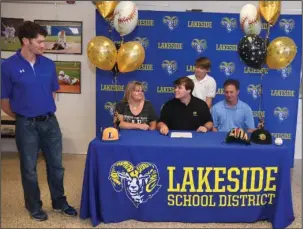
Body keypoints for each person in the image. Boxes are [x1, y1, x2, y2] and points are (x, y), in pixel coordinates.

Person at [1, 21, 77, 221]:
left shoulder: (48, 64)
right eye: (40, 41)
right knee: (29, 169)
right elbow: (4, 101)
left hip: (50, 123)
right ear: (26, 41)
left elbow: (52, 92)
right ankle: (34, 207)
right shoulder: (8, 66)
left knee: (56, 166)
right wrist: (23, 117)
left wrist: (43, 111)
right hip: (26, 125)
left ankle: (59, 202)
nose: (44, 45)